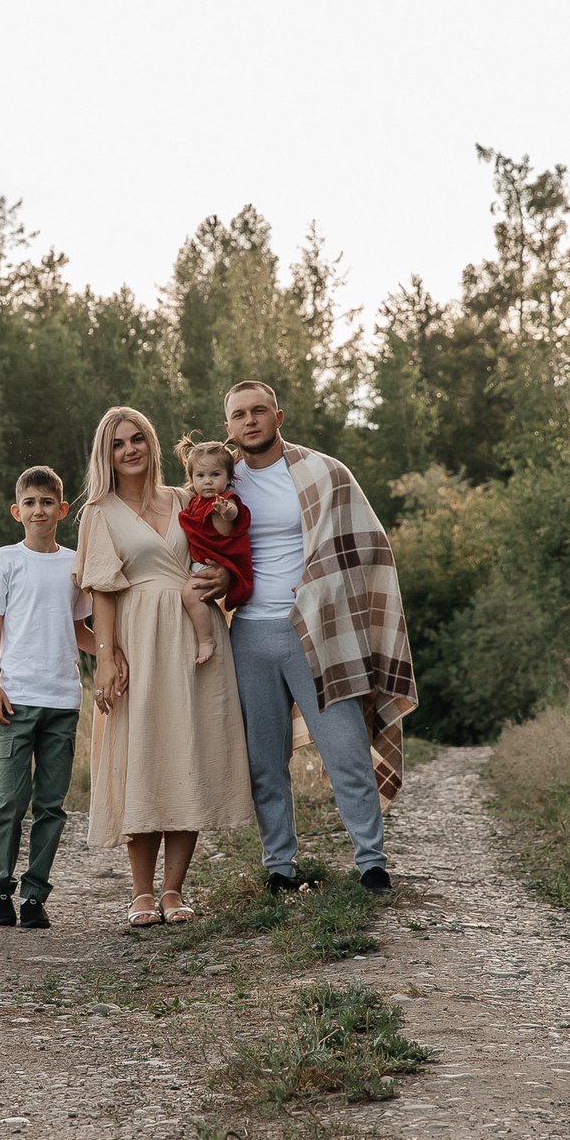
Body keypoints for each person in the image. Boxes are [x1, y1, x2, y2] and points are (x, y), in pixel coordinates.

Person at [187, 380, 417, 895]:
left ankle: (371, 863)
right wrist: (220, 581)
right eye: (239, 415)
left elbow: (369, 547)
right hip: (248, 632)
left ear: (279, 416)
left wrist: (327, 588)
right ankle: (280, 869)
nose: (250, 421)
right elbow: (196, 547)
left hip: (316, 629)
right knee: (265, 759)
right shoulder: (221, 484)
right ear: (228, 427)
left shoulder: (323, 473)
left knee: (346, 748)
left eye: (260, 411)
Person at [75, 405, 253, 926]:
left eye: (138, 439)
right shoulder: (99, 512)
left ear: (152, 445)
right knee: (143, 754)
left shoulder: (185, 497)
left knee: (187, 754)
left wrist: (221, 578)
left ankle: (174, 890)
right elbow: (102, 592)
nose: (129, 449)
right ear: (105, 454)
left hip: (196, 641)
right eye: (118, 443)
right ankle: (141, 892)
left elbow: (226, 545)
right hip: (139, 640)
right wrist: (106, 659)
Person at [0, 465, 96, 928]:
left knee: (51, 803)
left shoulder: (74, 564)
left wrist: (112, 655)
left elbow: (79, 628)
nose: (38, 510)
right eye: (30, 503)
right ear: (16, 511)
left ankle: (34, 896)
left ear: (62, 510)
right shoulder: (6, 560)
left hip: (63, 701)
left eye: (47, 502)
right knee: (9, 800)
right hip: (15, 699)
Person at [173, 435, 253, 665]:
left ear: (229, 478)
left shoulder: (226, 499)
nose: (207, 481)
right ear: (191, 479)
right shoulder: (194, 502)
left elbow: (234, 514)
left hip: (213, 564)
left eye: (215, 475)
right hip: (200, 561)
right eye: (200, 476)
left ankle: (206, 639)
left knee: (190, 594)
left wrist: (225, 511)